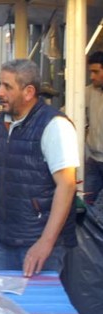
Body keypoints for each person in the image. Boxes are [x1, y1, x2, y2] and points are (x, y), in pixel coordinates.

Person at [0, 59, 79, 277]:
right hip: (6, 238)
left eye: (7, 86)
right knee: (3, 306)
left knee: (39, 310)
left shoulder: (55, 126)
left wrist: (45, 243)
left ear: (29, 92)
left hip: (40, 244)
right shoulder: (2, 121)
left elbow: (67, 186)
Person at [84, 51, 103, 204]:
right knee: (84, 203)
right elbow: (68, 111)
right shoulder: (88, 92)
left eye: (95, 71)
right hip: (93, 159)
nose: (92, 76)